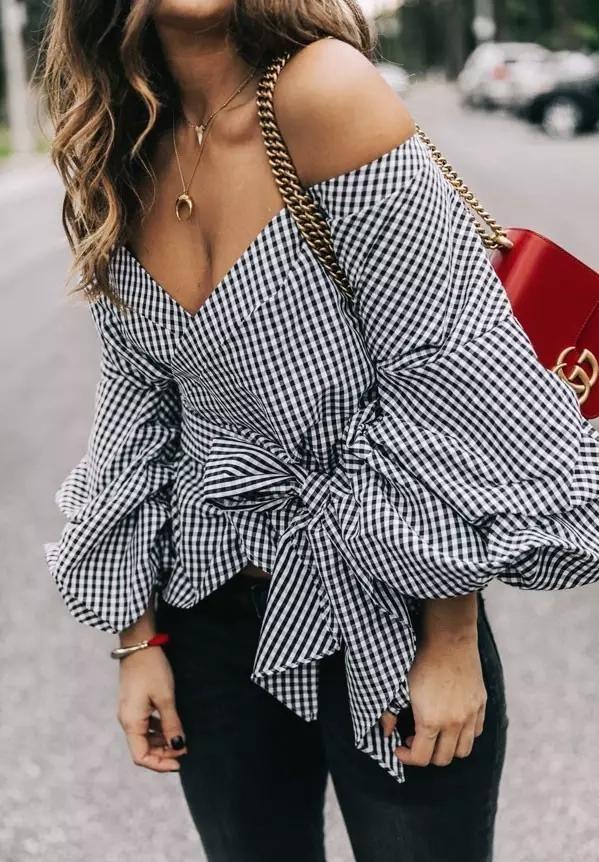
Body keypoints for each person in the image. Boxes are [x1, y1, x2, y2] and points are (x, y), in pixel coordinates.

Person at [40, 3, 599, 861]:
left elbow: (444, 376)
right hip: (206, 614)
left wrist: (449, 635)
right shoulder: (120, 145)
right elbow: (136, 413)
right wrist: (137, 639)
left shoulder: (322, 91)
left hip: (388, 602)